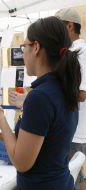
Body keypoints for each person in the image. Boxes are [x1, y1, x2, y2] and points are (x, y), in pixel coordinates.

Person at [0, 16, 81, 189]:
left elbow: (21, 162)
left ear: (36, 47)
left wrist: (1, 119)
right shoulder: (64, 88)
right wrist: (28, 104)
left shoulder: (41, 97)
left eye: (23, 46)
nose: (23, 52)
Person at [56, 8, 86, 190]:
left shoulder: (79, 52)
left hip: (75, 131)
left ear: (69, 26)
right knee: (77, 177)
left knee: (69, 181)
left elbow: (82, 94)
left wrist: (52, 93)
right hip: (75, 129)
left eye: (59, 27)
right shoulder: (77, 50)